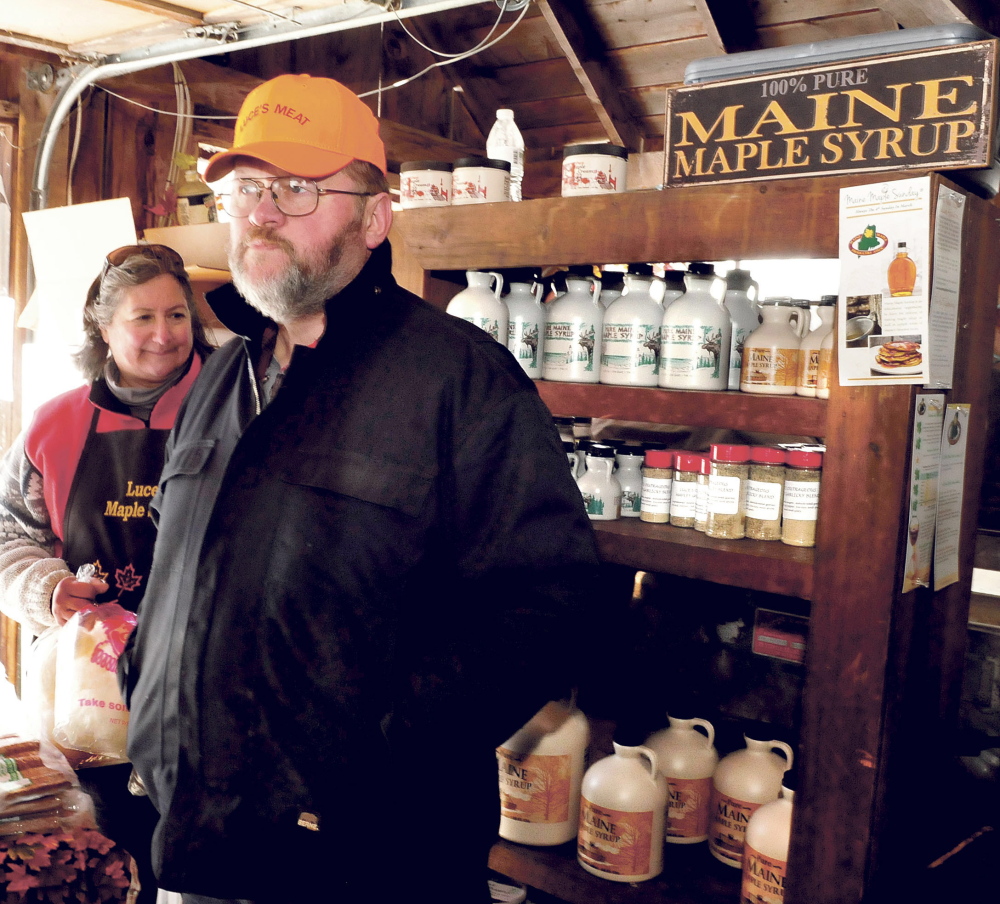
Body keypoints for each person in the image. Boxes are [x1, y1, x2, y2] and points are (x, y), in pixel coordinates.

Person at [118, 73, 603, 904]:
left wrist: (361, 751)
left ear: (376, 217)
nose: (262, 210)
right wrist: (145, 683)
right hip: (195, 836)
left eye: (298, 188)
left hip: (365, 858)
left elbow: (547, 608)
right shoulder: (219, 377)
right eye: (246, 189)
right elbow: (181, 568)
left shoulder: (457, 378)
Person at [0, 244, 213, 903]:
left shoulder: (237, 410)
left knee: (204, 863)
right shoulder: (54, 424)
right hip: (91, 694)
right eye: (141, 317)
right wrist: (47, 589)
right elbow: (8, 533)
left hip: (206, 685)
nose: (163, 334)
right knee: (110, 861)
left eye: (177, 315)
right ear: (101, 324)